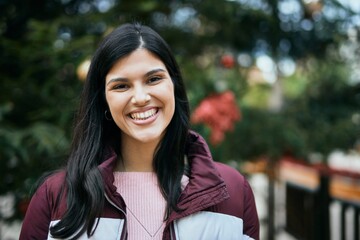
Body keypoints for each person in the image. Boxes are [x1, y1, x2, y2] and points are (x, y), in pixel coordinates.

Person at [19, 22, 259, 240]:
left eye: (153, 79)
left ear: (173, 86)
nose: (141, 98)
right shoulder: (57, 196)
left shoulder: (233, 191)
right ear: (104, 100)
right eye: (121, 86)